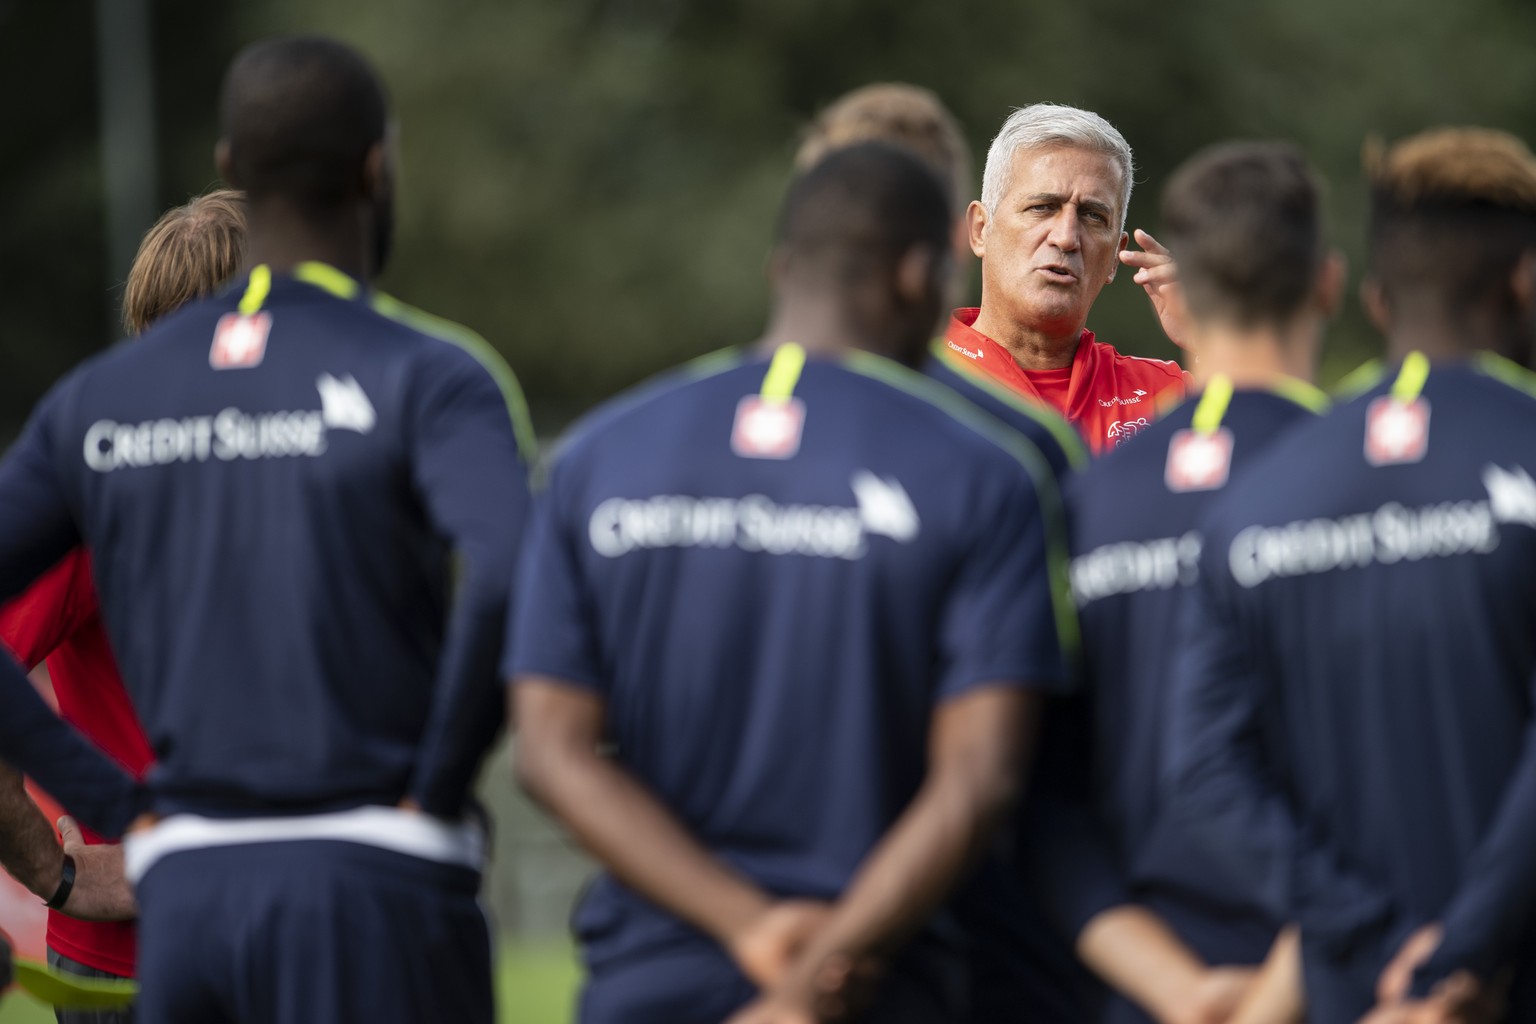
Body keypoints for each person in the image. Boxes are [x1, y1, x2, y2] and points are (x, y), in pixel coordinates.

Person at [0, 34, 532, 1023]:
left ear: (231, 163)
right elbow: (514, 579)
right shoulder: (423, 374)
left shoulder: (97, 415)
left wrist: (133, 816)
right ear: (377, 169)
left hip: (189, 899)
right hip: (328, 898)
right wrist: (433, 788)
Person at [510, 142, 1073, 1024]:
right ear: (921, 275)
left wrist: (751, 927)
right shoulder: (984, 473)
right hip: (881, 983)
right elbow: (981, 776)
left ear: (782, 268)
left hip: (648, 979)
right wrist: (819, 973)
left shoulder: (595, 458)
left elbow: (549, 753)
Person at [1165, 126, 1536, 1024]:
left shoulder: (1257, 500)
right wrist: (1462, 957)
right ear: (1524, 282)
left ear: (1374, 296)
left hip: (1356, 995)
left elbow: (1204, 770)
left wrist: (1376, 943)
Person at [1055, 142, 1340, 1024]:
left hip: (1142, 990)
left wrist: (1172, 989)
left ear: (1190, 295)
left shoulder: (1081, 495)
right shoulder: (1362, 479)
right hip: (1343, 975)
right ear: (1327, 286)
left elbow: (1033, 792)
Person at [0, 186, 247, 1024]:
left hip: (305, 934)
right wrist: (55, 872)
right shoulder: (90, 499)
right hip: (137, 971)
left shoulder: (321, 485)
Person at [944, 103, 1188, 453]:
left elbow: (1282, 469)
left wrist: (1214, 339)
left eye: (1092, 216)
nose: (1067, 237)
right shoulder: (914, 381)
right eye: (1042, 207)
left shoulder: (1167, 397)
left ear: (1115, 259)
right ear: (981, 229)